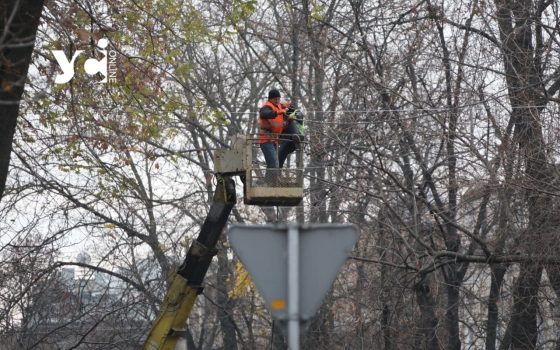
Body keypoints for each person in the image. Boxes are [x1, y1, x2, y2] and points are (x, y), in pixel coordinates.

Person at [258, 89, 296, 183]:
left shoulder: (278, 105)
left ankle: (268, 181)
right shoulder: (266, 107)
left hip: (274, 140)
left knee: (273, 163)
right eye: (275, 99)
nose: (277, 100)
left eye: (278, 98)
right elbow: (264, 114)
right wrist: (278, 112)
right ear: (270, 99)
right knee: (273, 162)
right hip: (266, 140)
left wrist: (288, 113)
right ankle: (270, 181)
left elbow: (280, 118)